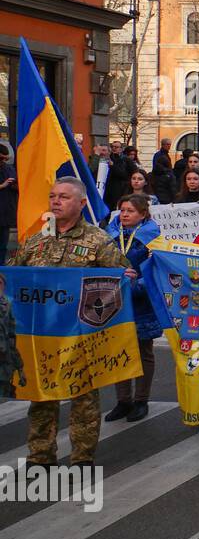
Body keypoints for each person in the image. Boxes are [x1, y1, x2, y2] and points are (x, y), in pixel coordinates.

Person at [9, 178, 129, 467]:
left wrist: (127, 278)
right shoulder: (36, 240)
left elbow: (120, 278)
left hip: (81, 334)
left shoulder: (98, 241)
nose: (56, 201)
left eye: (63, 196)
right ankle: (40, 456)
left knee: (84, 399)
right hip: (42, 334)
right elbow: (14, 276)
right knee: (40, 398)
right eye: (52, 196)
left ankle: (82, 457)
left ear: (82, 203)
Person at [103, 195, 163, 423]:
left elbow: (156, 270)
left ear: (143, 214)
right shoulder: (108, 234)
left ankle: (141, 400)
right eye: (122, 209)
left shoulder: (152, 237)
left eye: (130, 210)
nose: (125, 214)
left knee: (143, 350)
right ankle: (123, 400)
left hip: (141, 301)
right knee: (119, 350)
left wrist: (138, 283)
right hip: (113, 298)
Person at [0, 145, 15, 265]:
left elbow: (15, 184)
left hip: (5, 214)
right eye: (1, 159)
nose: (3, 161)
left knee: (3, 246)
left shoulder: (9, 169)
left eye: (5, 159)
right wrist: (2, 185)